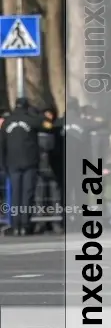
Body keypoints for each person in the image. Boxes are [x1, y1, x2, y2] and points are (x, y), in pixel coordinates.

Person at [2, 98, 43, 236]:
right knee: (27, 194)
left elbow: (1, 145)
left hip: (12, 163)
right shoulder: (30, 120)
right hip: (29, 162)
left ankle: (15, 225)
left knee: (15, 195)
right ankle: (25, 225)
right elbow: (43, 122)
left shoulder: (7, 122)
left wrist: (3, 164)